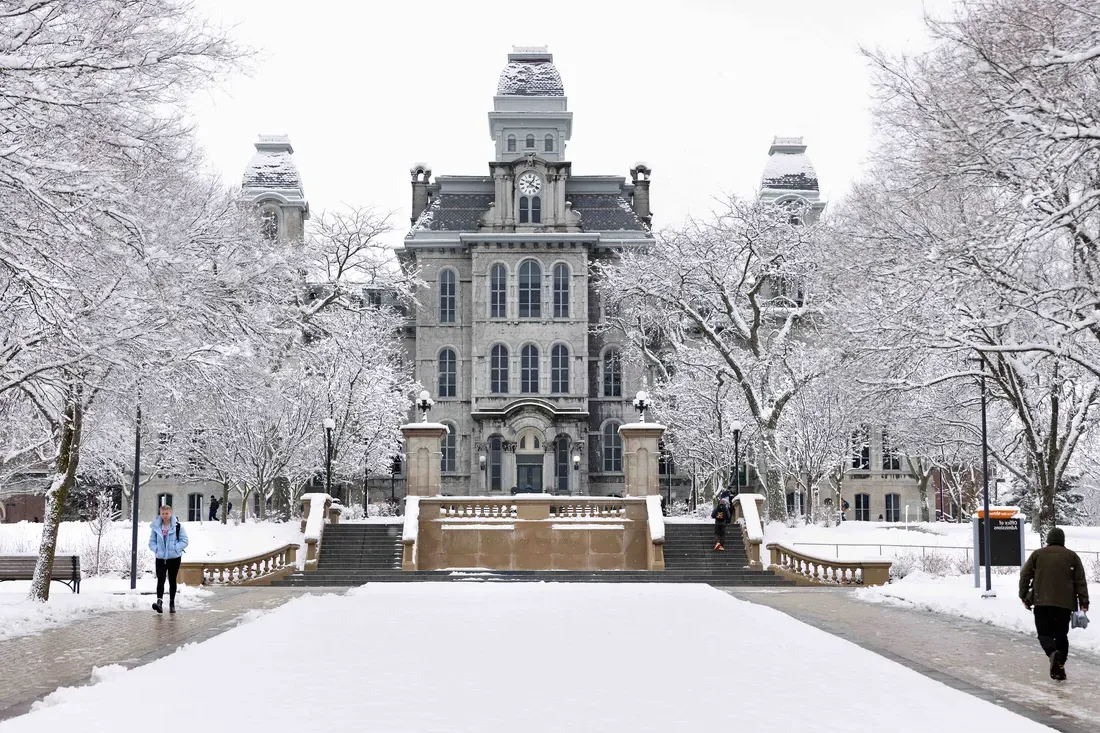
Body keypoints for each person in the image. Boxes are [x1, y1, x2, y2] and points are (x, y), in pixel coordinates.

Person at [1019, 527, 1090, 681]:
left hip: (1042, 601)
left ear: (1048, 540)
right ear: (1062, 540)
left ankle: (1052, 653)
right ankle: (1060, 667)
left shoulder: (1038, 554)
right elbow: (1080, 581)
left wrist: (1023, 595)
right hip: (1065, 604)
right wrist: (1083, 601)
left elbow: (1025, 575)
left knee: (1044, 633)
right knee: (1061, 635)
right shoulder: (1072, 556)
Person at [148, 504, 189, 614]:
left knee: (172, 580)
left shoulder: (177, 526)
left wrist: (176, 548)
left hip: (174, 558)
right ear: (160, 514)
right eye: (163, 513)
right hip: (161, 558)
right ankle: (159, 602)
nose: (165, 516)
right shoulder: (156, 526)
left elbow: (184, 540)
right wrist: (156, 549)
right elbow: (151, 541)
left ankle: (172, 603)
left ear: (171, 513)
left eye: (167, 513)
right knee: (160, 580)